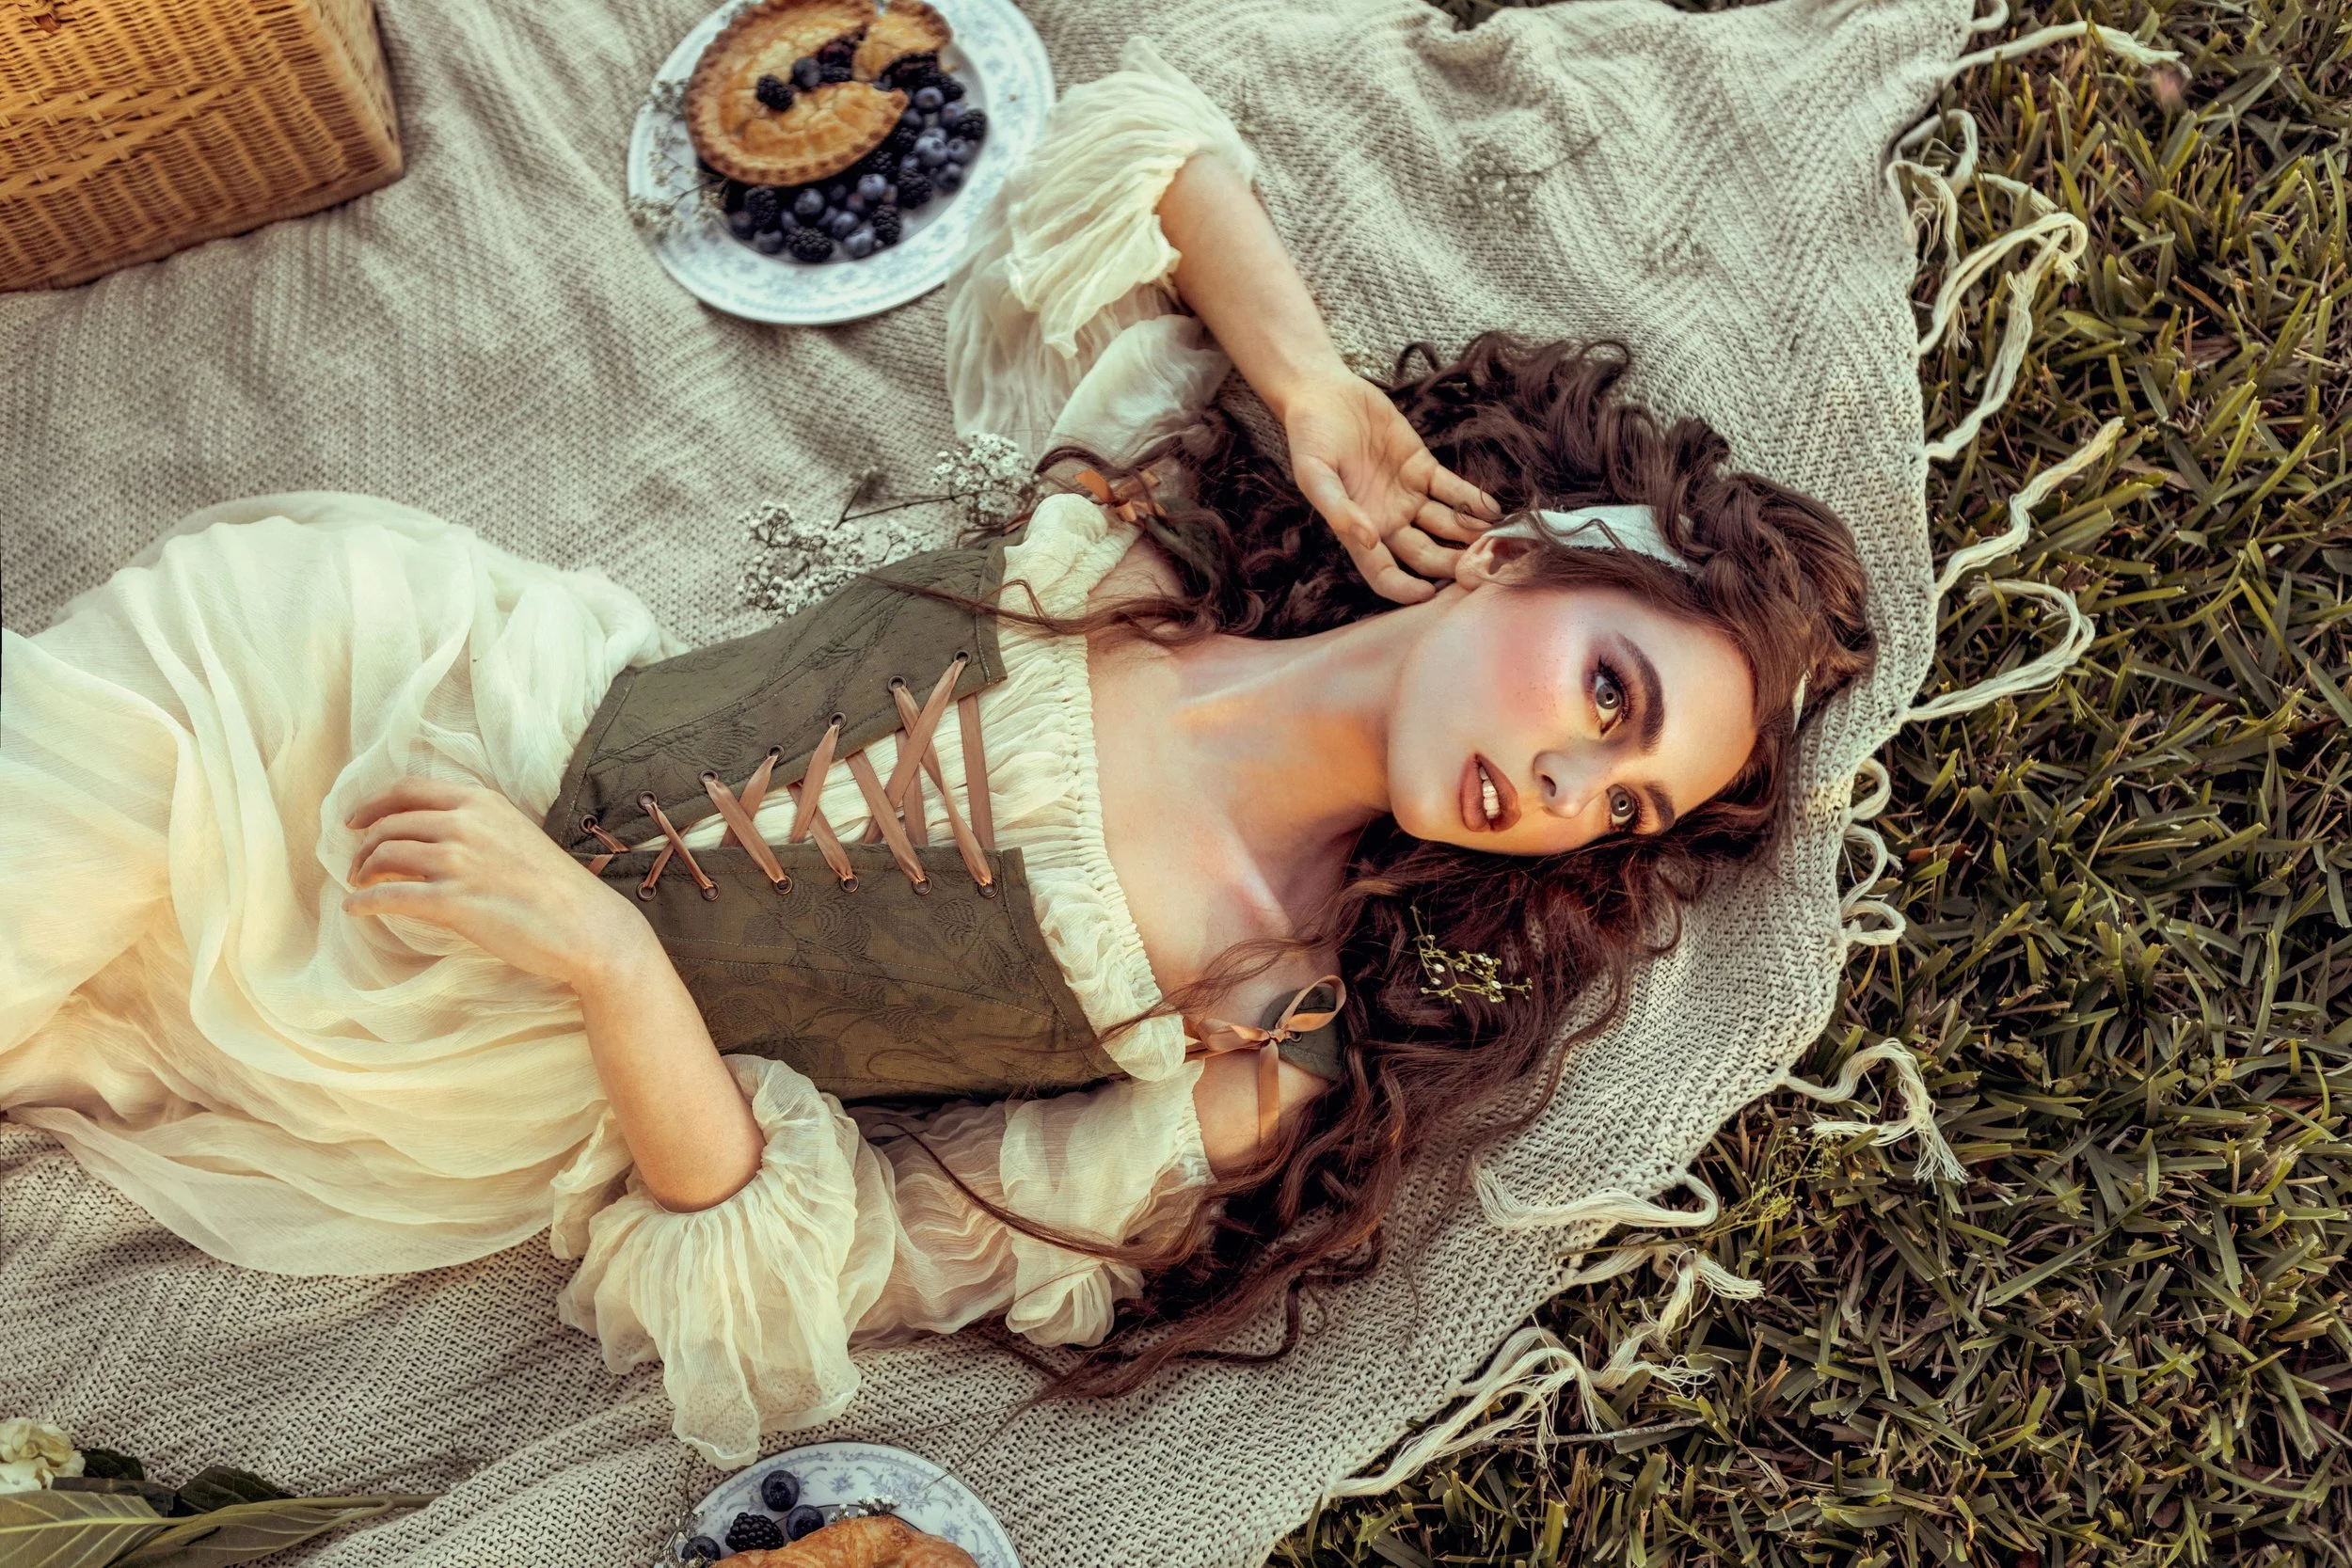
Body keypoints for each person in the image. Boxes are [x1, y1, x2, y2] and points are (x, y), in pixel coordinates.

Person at [0, 40, 1872, 1466]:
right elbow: (1139, 147)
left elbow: (810, 1268)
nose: (1564, 787)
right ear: (1526, 548)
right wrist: (1310, 388)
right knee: (169, 679)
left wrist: (605, 957)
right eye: (1607, 695)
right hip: (452, 690)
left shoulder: (1247, 1030)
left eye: (1618, 805)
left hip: (472, 1023)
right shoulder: (1148, 537)